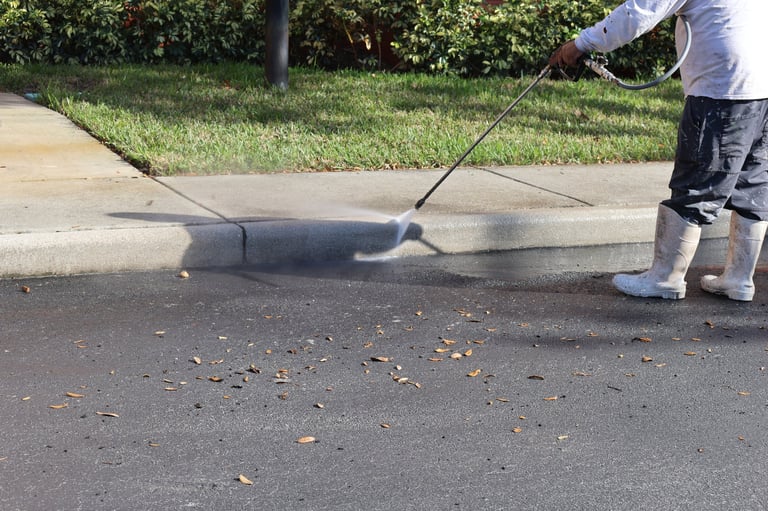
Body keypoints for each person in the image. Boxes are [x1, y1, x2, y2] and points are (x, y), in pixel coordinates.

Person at [549, 0, 768, 301]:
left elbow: (640, 12)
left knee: (697, 182)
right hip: (761, 83)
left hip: (723, 87)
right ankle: (739, 279)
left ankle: (665, 278)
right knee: (752, 182)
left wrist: (580, 44)